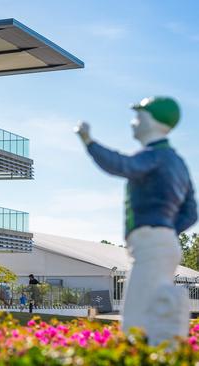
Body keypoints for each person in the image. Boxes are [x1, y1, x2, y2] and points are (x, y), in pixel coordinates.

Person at [75, 96, 197, 345]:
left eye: (138, 118)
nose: (133, 123)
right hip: (162, 243)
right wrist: (167, 230)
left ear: (151, 122)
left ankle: (163, 350)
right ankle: (171, 344)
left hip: (152, 243)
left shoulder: (154, 155)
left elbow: (122, 165)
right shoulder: (178, 162)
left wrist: (89, 142)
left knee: (135, 319)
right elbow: (192, 211)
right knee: (154, 306)